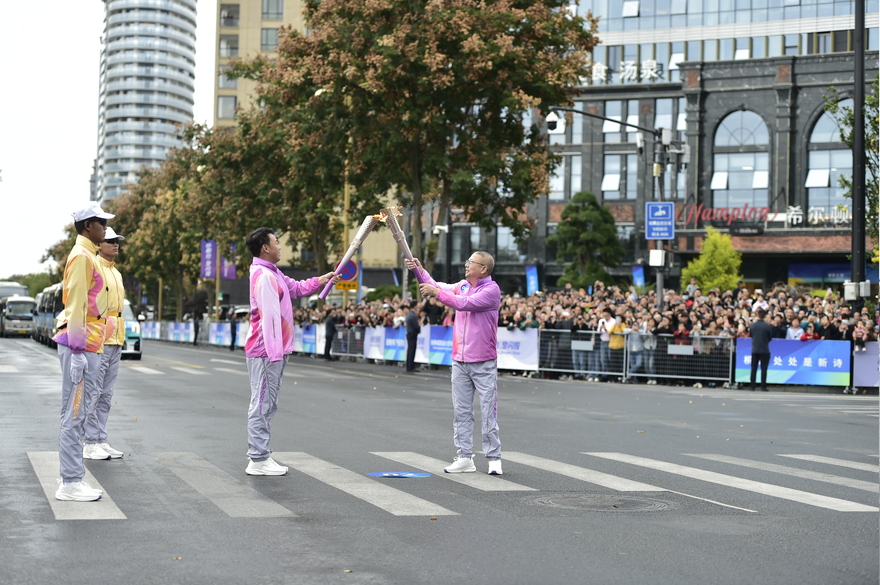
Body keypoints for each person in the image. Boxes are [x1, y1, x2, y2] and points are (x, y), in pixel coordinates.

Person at [243, 227, 338, 476]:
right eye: (276, 242)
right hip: (266, 351)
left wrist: (321, 280)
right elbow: (270, 319)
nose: (280, 246)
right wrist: (275, 354)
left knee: (268, 403)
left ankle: (261, 454)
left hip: (274, 351)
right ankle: (258, 458)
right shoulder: (264, 276)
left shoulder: (273, 273)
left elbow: (296, 288)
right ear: (265, 247)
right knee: (262, 404)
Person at [406, 252, 503, 475]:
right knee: (461, 412)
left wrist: (437, 293)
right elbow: (435, 285)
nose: (466, 265)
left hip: (483, 361)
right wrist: (419, 270)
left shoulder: (491, 290)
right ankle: (464, 457)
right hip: (459, 360)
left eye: (471, 263)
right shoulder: (463, 285)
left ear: (484, 269)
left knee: (488, 411)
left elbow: (463, 304)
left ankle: (494, 457)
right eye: (467, 261)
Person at [52, 202, 115, 501]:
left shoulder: (88, 255)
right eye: (102, 223)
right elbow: (76, 305)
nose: (105, 228)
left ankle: (73, 475)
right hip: (82, 344)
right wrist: (77, 350)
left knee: (78, 412)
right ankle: (70, 482)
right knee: (75, 414)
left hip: (90, 343)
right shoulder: (82, 257)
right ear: (89, 225)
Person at [83, 226, 126, 461]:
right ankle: (89, 442)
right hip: (99, 337)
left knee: (107, 394)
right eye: (110, 241)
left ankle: (100, 438)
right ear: (100, 244)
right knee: (94, 391)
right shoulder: (94, 266)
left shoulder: (116, 272)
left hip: (116, 337)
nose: (115, 244)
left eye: (117, 241)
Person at [749, 309, 773, 392]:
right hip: (764, 349)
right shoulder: (768, 326)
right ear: (765, 316)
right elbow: (770, 338)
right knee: (764, 368)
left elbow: (751, 335)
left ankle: (752, 386)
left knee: (754, 368)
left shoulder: (752, 325)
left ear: (757, 315)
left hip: (755, 349)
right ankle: (763, 386)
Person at [404, 302, 420, 372]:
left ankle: (409, 366)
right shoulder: (413, 315)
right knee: (412, 350)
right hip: (412, 334)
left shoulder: (409, 315)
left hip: (409, 333)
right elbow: (416, 326)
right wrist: (419, 329)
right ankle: (411, 366)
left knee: (410, 350)